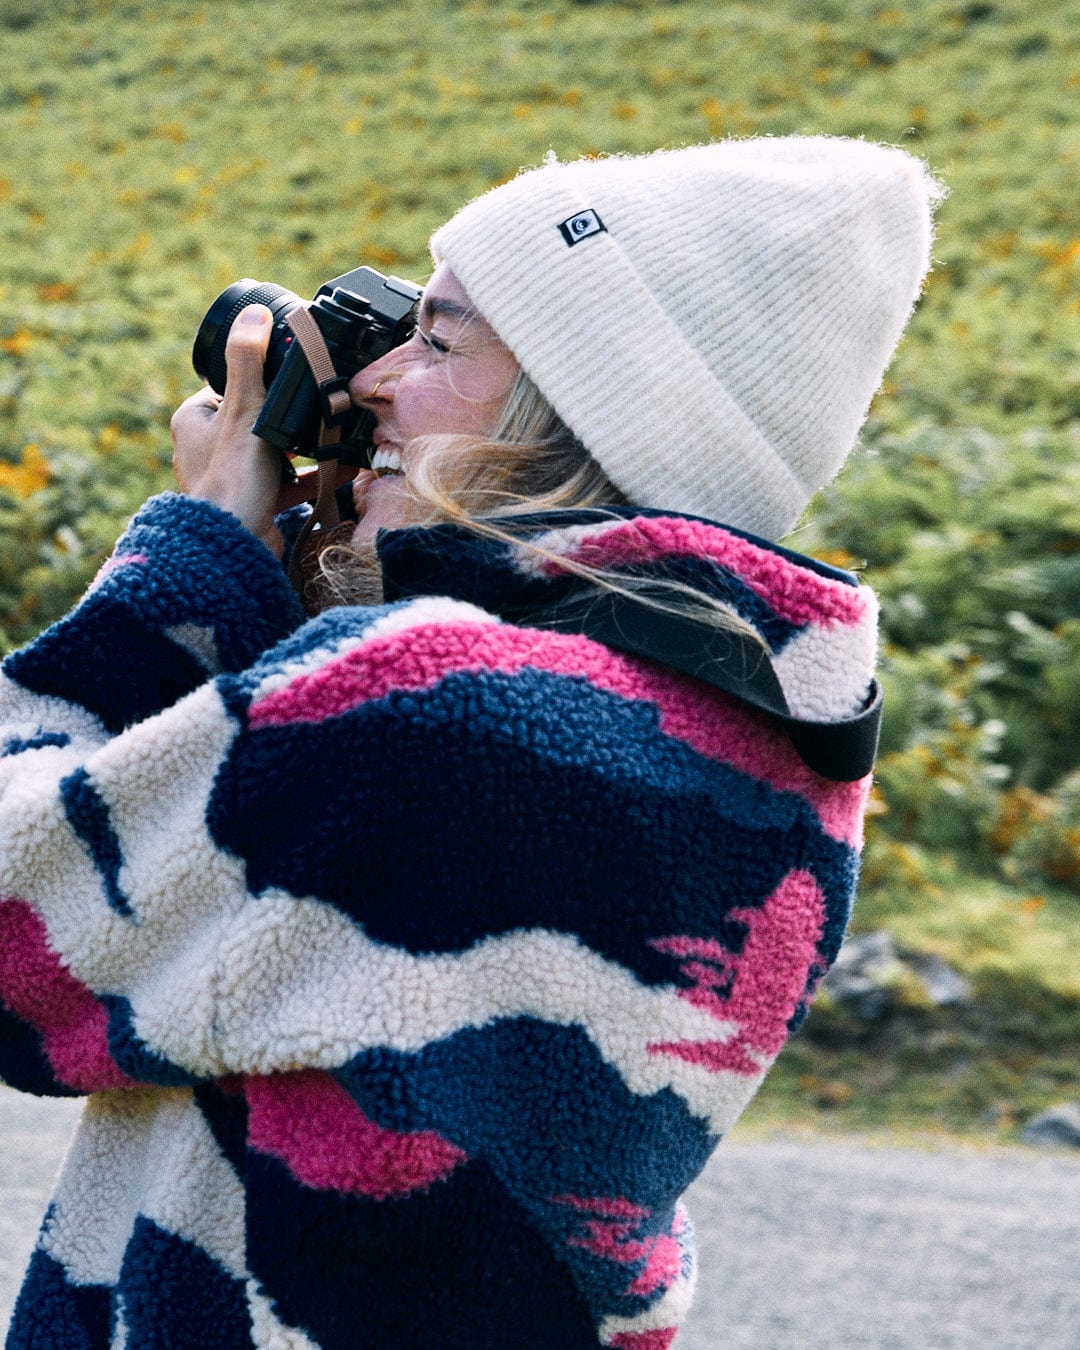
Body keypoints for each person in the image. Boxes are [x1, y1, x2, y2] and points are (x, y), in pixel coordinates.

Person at [0, 138, 938, 1349]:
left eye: (438, 341)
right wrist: (329, 593)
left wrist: (193, 559)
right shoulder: (767, 732)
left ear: (588, 405)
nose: (377, 382)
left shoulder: (422, 703)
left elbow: (25, 928)